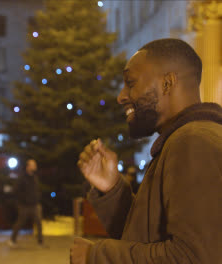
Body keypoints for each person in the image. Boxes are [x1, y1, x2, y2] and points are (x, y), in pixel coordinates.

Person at [72, 38, 222, 263]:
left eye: (130, 83)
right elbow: (150, 237)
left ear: (167, 83)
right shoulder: (184, 140)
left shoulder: (192, 142)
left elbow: (194, 257)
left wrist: (96, 256)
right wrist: (112, 189)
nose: (121, 96)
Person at [8, 159, 45, 248]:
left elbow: (36, 190)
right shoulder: (22, 178)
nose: (35, 167)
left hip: (35, 204)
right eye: (33, 165)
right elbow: (16, 190)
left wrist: (37, 199)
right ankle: (12, 240)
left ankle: (40, 242)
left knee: (39, 222)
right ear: (28, 166)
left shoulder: (35, 177)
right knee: (20, 222)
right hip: (24, 205)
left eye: (35, 165)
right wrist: (22, 201)